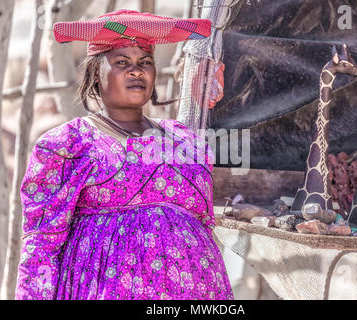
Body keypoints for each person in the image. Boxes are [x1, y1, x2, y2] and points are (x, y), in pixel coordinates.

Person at [15, 9, 234, 300]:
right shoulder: (68, 144)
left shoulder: (186, 142)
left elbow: (202, 222)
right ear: (95, 75)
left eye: (145, 62)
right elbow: (41, 244)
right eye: (122, 62)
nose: (136, 70)